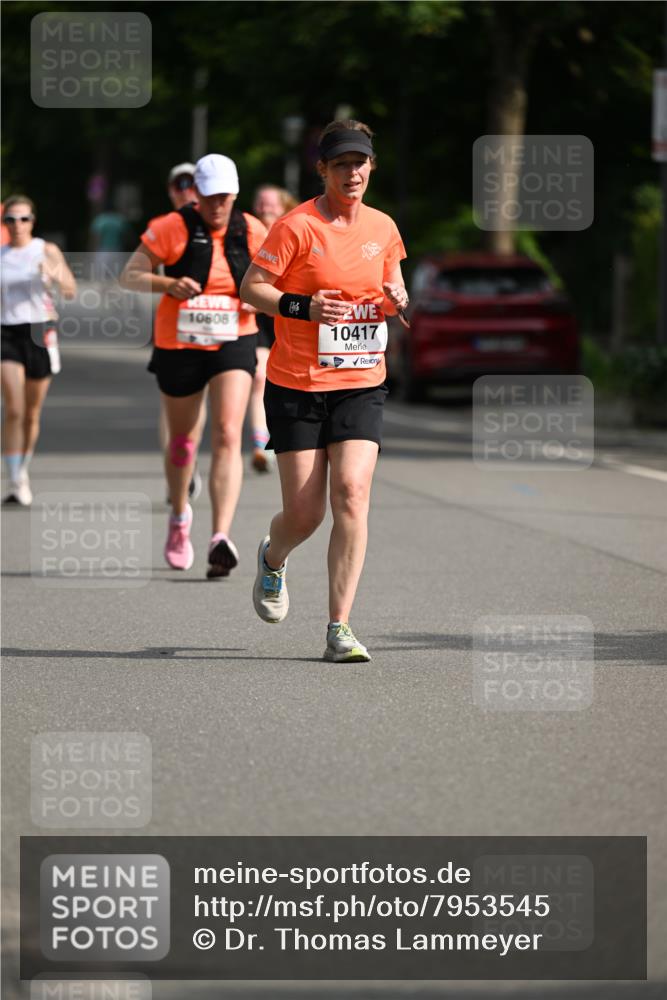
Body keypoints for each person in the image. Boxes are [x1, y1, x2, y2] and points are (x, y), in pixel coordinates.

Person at [240, 120, 408, 662]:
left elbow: (392, 289)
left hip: (361, 381)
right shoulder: (296, 226)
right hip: (298, 384)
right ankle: (273, 558)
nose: (352, 173)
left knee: (353, 494)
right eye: (341, 165)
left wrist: (397, 299)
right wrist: (304, 307)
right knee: (306, 513)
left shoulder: (384, 227)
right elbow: (252, 289)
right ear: (323, 170)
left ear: (371, 167)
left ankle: (340, 628)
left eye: (360, 163)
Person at [121, 154, 267, 577]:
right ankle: (180, 515)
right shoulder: (171, 227)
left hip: (234, 339)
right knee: (183, 441)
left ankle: (220, 535)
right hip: (179, 343)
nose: (218, 203)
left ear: (235, 194)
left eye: (226, 196)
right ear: (196, 195)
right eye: (210, 196)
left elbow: (278, 281)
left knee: (226, 433)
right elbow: (130, 275)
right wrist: (169, 284)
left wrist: (253, 294)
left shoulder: (253, 229)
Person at [1, 195, 76, 504]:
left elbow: (70, 290)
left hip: (39, 331)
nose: (17, 226)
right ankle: (14, 478)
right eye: (10, 220)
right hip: (6, 332)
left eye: (23, 219)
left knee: (32, 413)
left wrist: (54, 274)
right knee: (14, 407)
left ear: (33, 221)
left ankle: (24, 468)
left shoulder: (45, 250)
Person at [151, 163, 204, 503]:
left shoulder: (222, 225)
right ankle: (179, 466)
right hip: (175, 329)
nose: (186, 188)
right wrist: (171, 283)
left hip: (216, 331)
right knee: (172, 405)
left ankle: (189, 463)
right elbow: (144, 276)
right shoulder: (164, 228)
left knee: (208, 407)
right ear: (171, 190)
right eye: (179, 183)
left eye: (193, 183)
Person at [249, 185, 297, 473]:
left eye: (270, 204)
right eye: (260, 203)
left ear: (283, 207)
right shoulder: (247, 234)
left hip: (286, 315)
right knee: (258, 376)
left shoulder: (293, 233)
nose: (264, 208)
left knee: (282, 379)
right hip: (255, 318)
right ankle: (259, 444)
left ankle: (289, 437)